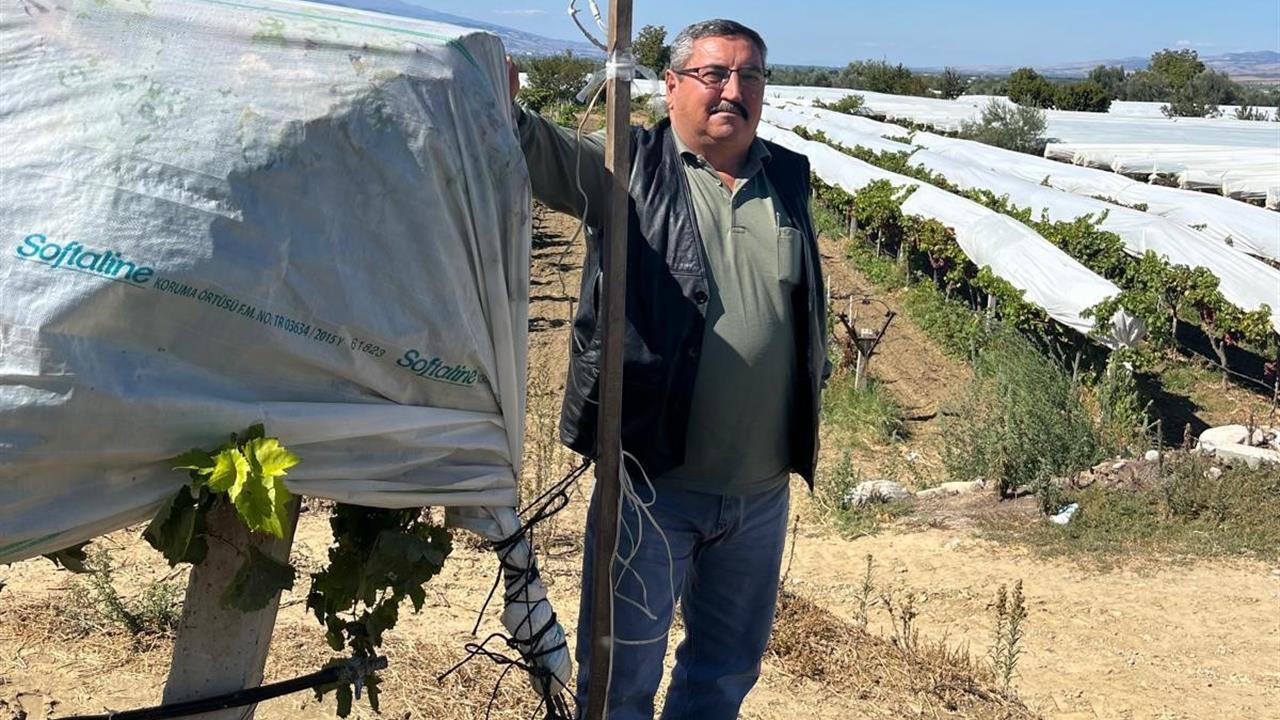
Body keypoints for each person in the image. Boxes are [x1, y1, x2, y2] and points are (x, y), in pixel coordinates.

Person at [509, 18, 827, 720]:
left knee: (724, 673)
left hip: (759, 494)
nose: (733, 90)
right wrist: (505, 110)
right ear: (673, 85)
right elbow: (541, 153)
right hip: (653, 486)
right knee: (619, 677)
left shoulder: (786, 176)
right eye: (715, 74)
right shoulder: (628, 165)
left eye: (750, 76)